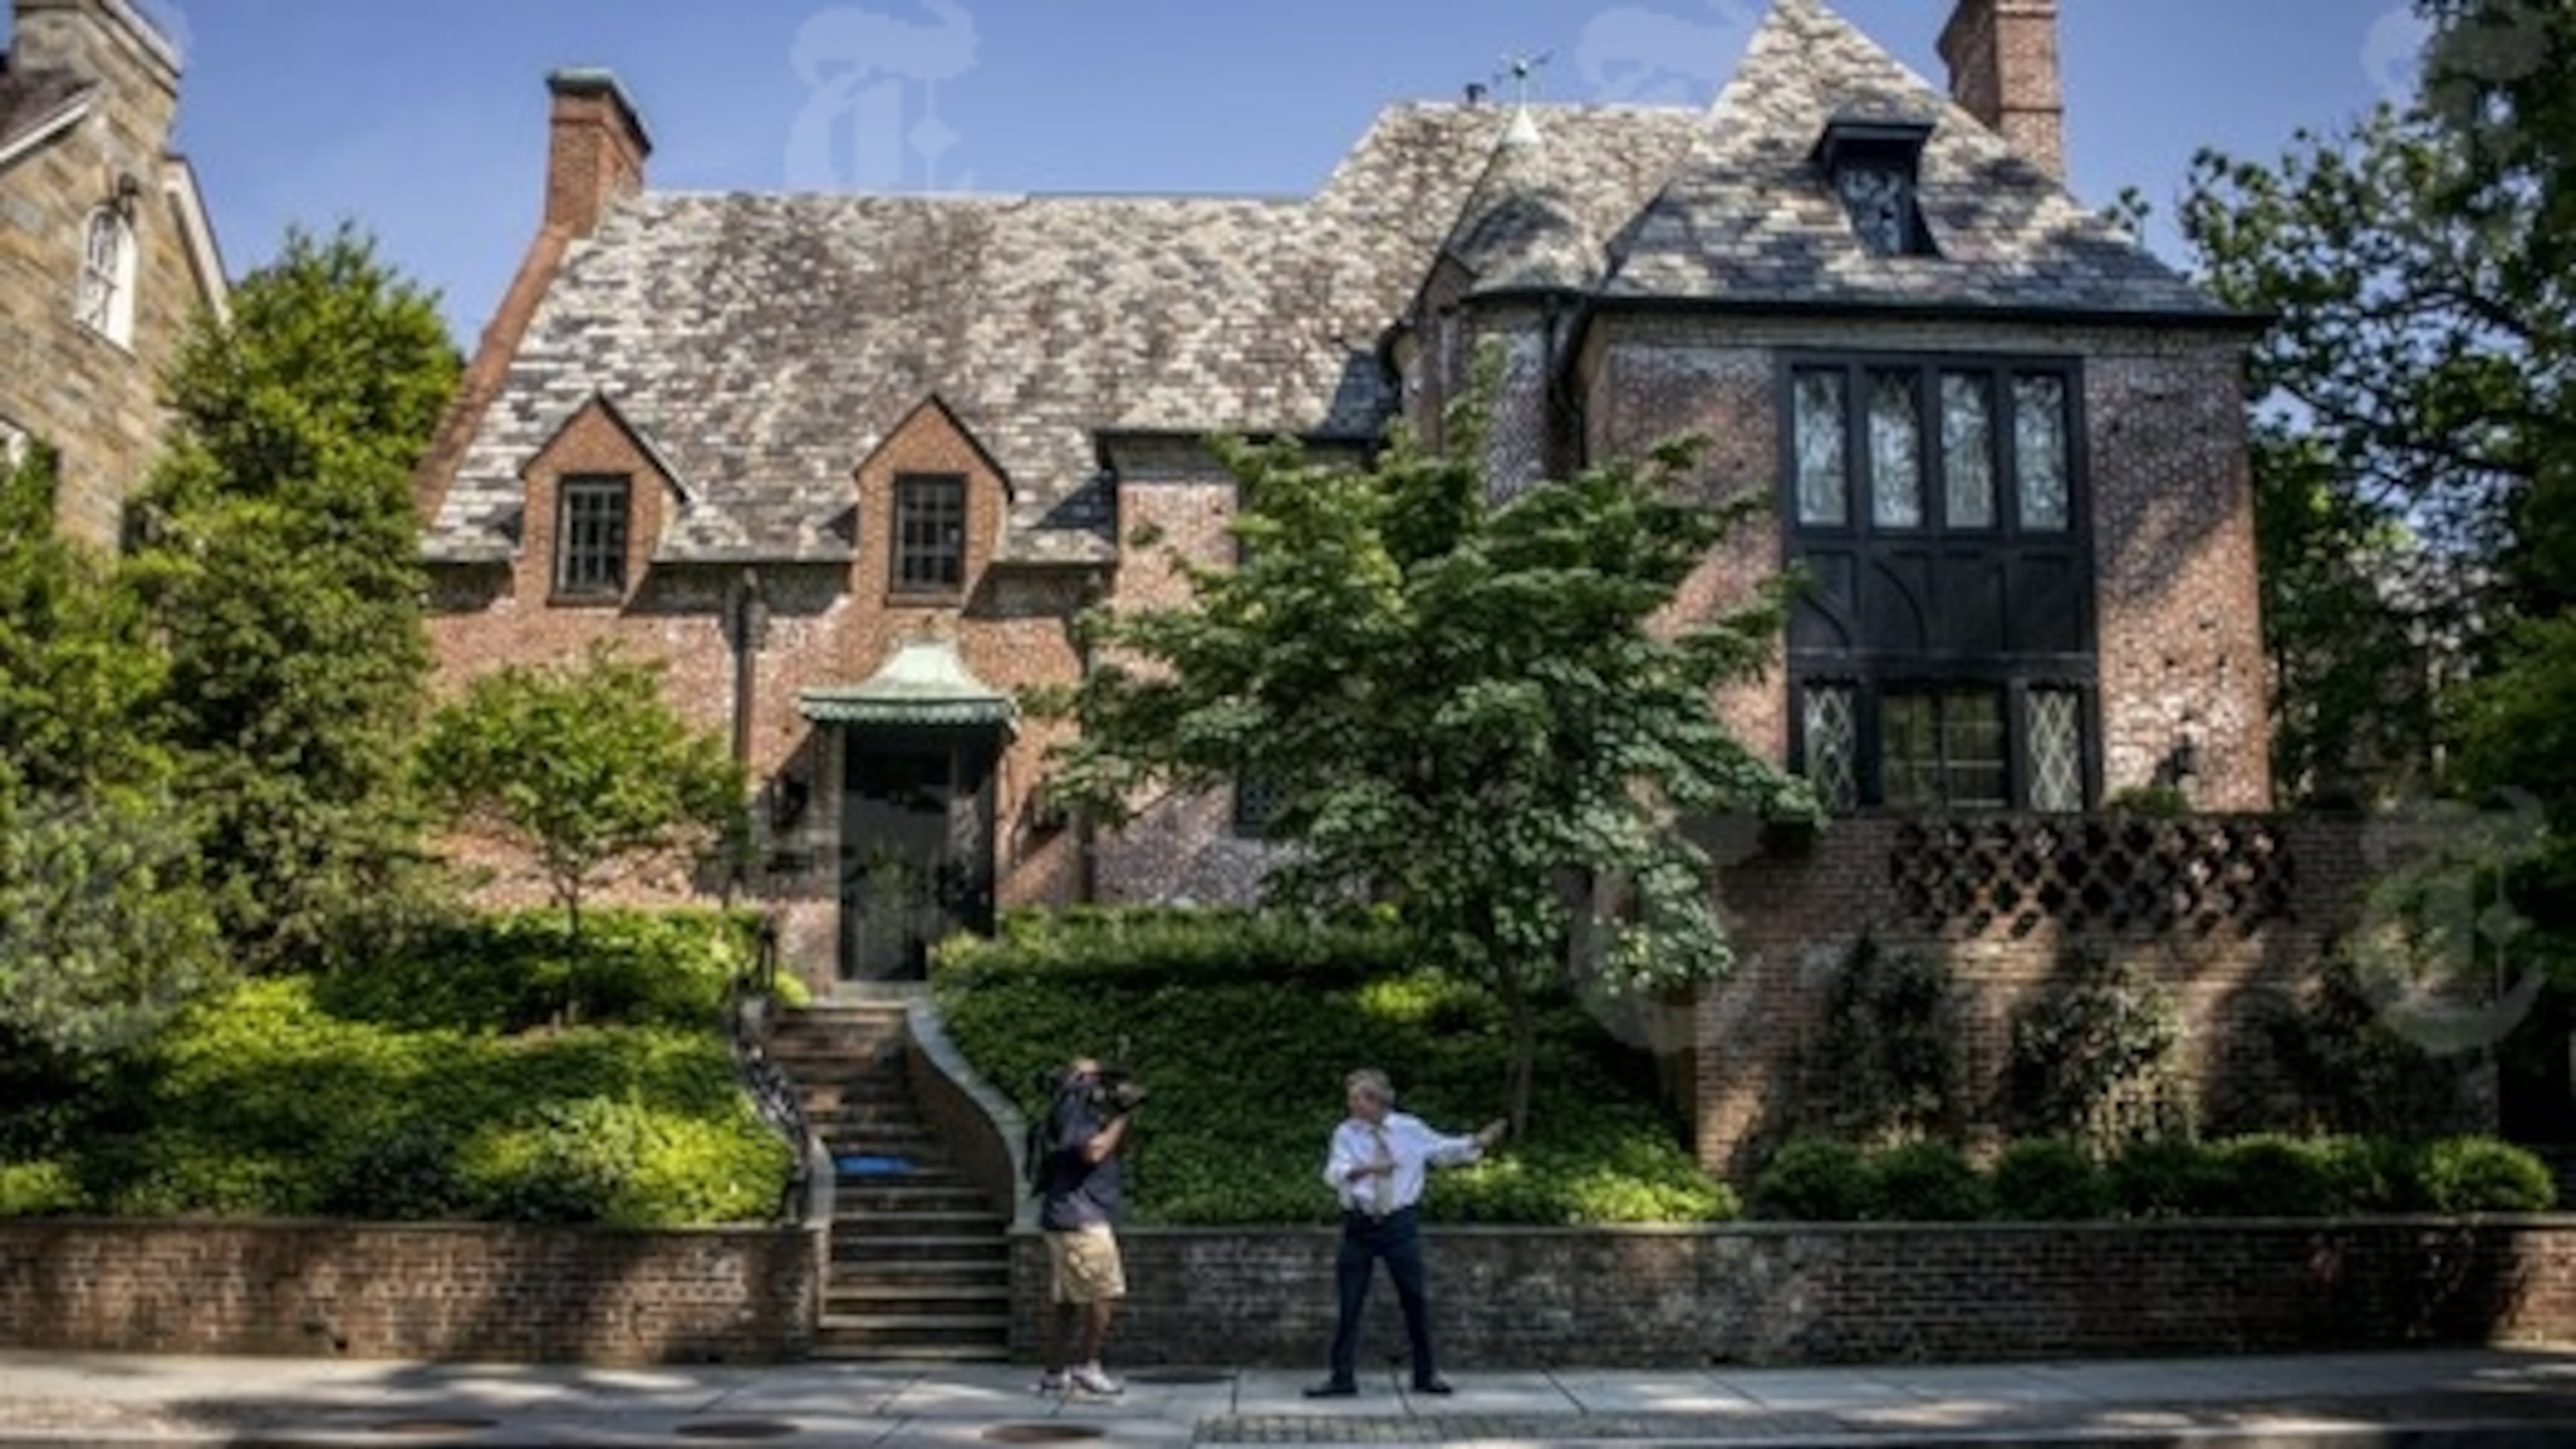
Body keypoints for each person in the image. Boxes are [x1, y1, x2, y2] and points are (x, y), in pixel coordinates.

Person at [1305, 1067, 1506, 1398]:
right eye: (1351, 1098)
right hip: (1360, 1226)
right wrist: (1367, 1168)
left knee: (1415, 1300)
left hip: (1399, 1225)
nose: (1352, 1104)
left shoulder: (1409, 1129)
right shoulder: (1345, 1133)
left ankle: (1425, 1376)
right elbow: (1334, 1173)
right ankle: (1342, 1378)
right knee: (1350, 1304)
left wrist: (1478, 1142)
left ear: (1377, 1100)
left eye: (1357, 1098)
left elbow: (1443, 1149)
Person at [1032, 1057, 1132, 1396]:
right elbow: (1094, 1151)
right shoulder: (1076, 1104)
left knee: (1067, 1302)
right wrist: (1121, 1117)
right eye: (1095, 1077)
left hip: (1064, 1215)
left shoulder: (1067, 1106)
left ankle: (1054, 1373)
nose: (1100, 1085)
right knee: (1104, 1294)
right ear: (1078, 1078)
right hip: (1081, 1218)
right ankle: (1088, 1367)